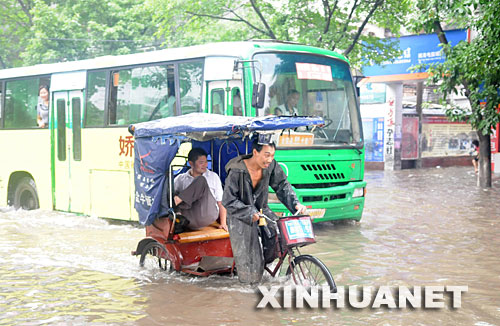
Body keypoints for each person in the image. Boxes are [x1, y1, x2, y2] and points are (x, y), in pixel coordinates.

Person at [222, 136, 307, 284]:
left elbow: (282, 185)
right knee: (250, 257)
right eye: (266, 155)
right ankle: (249, 284)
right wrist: (249, 213)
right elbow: (228, 200)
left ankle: (265, 266)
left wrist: (296, 205)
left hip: (262, 211)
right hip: (240, 216)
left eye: (272, 155)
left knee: (281, 237)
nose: (269, 159)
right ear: (255, 152)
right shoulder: (237, 171)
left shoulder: (271, 167)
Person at [174, 148, 227, 231]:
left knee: (201, 180)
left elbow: (221, 202)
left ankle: (179, 200)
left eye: (206, 162)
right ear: (191, 163)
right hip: (188, 218)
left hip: (206, 215)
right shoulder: (180, 179)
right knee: (170, 189)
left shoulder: (213, 176)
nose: (205, 165)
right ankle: (178, 206)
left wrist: (223, 223)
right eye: (201, 163)